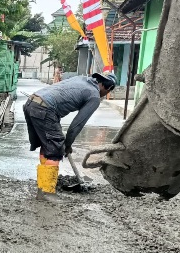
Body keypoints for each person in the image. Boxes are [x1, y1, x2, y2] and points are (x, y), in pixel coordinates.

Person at [24, 72, 117, 202]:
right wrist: (67, 145)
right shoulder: (94, 96)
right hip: (45, 108)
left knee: (48, 145)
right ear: (108, 88)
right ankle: (46, 192)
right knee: (55, 149)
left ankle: (43, 187)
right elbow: (76, 125)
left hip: (31, 102)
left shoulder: (81, 79)